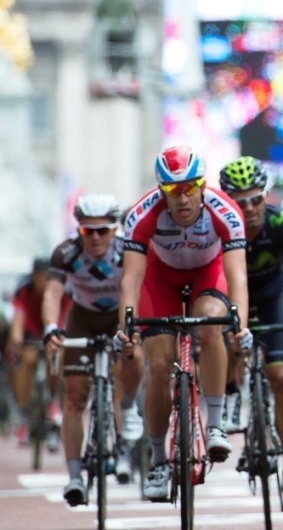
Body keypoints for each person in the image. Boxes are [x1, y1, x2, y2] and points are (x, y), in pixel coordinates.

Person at [119, 146, 250, 502]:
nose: (183, 197)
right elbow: (130, 280)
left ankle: (218, 422)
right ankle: (159, 461)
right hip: (160, 279)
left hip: (209, 273)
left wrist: (240, 325)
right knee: (159, 365)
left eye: (191, 187)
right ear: (161, 190)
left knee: (211, 322)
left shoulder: (225, 210)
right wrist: (126, 328)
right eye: (173, 190)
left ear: (203, 185)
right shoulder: (141, 214)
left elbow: (237, 275)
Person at [219, 156, 283, 506]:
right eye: (241, 203)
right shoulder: (218, 226)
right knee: (219, 336)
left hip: (273, 298)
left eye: (257, 198)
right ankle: (228, 392)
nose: (251, 208)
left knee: (282, 376)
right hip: (229, 296)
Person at [43, 194, 143, 505]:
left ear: (115, 229)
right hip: (82, 319)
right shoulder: (66, 252)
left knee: (132, 359)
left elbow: (138, 287)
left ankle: (126, 412)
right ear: (79, 230)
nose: (96, 237)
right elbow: (52, 294)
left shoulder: (129, 250)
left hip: (118, 316)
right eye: (88, 231)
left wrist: (132, 328)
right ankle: (75, 477)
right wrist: (50, 327)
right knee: (74, 396)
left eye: (103, 230)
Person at [8, 257, 69, 447]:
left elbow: (68, 316)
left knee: (55, 356)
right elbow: (18, 318)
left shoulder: (62, 289)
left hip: (54, 328)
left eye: (47, 277)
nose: (43, 281)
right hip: (31, 331)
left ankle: (53, 400)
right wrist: (16, 342)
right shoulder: (24, 289)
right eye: (40, 276)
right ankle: (23, 413)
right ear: (33, 276)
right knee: (27, 358)